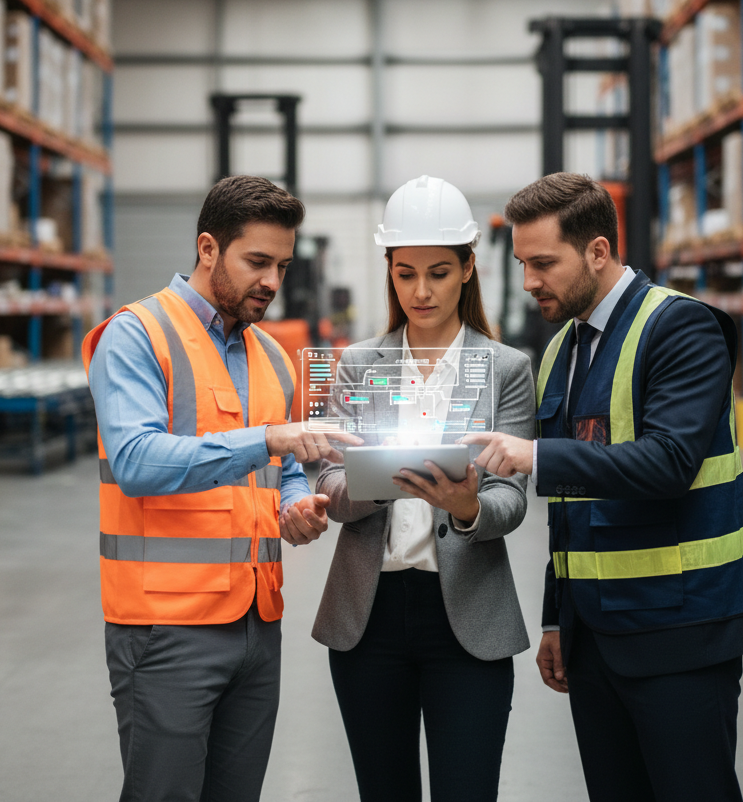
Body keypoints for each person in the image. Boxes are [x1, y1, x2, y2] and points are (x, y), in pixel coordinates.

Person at [466, 173, 743, 802]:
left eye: (543, 263)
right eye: (523, 263)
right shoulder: (561, 352)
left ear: (598, 251)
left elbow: (668, 462)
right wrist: (557, 618)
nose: (529, 282)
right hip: (597, 640)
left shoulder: (682, 330)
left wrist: (538, 455)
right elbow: (572, 511)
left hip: (681, 630)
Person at [83, 175, 362, 802]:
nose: (272, 281)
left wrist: (295, 506)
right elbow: (135, 460)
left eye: (282, 265)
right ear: (208, 249)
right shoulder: (136, 335)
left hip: (257, 625)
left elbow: (283, 473)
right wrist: (268, 441)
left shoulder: (268, 354)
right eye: (257, 262)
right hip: (165, 628)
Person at [312, 174, 535, 802]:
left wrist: (466, 508)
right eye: (405, 273)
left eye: (438, 272)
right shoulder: (357, 365)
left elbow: (512, 499)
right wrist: (381, 484)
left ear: (468, 269)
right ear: (389, 270)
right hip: (369, 617)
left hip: (466, 616)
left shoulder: (505, 369)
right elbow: (328, 486)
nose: (420, 290)